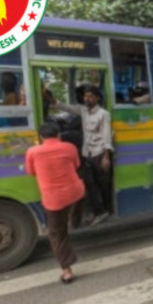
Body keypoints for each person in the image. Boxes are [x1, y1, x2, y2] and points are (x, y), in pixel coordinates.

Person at [44, 85, 113, 226]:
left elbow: (106, 136)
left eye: (90, 96)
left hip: (100, 153)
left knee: (102, 185)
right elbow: (64, 106)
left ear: (97, 98)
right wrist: (48, 98)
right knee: (90, 184)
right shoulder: (83, 111)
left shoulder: (103, 114)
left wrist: (106, 157)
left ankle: (104, 211)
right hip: (87, 153)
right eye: (85, 96)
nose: (87, 99)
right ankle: (99, 212)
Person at [25, 122, 85, 284]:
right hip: (76, 192)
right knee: (76, 200)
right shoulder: (70, 147)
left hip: (54, 200)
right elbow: (76, 164)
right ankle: (76, 220)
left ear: (40, 137)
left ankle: (67, 270)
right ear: (59, 135)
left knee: (57, 233)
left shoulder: (32, 152)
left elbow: (31, 172)